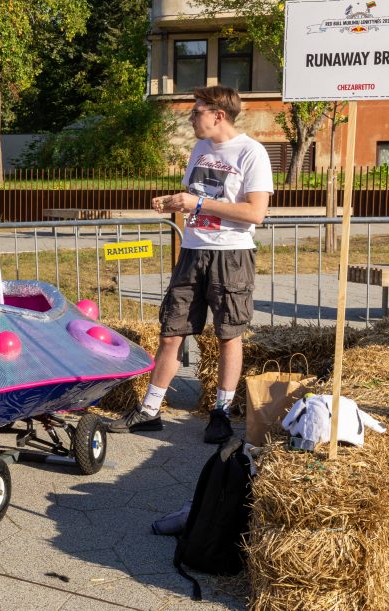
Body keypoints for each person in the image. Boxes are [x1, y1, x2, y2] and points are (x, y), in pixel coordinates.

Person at [108, 85, 274, 444]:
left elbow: (255, 213)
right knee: (171, 331)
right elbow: (199, 199)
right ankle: (150, 411)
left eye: (197, 111)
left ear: (219, 115)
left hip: (231, 254)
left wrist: (196, 203)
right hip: (193, 250)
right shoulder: (200, 149)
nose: (191, 116)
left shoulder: (252, 152)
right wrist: (176, 202)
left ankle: (221, 413)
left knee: (228, 335)